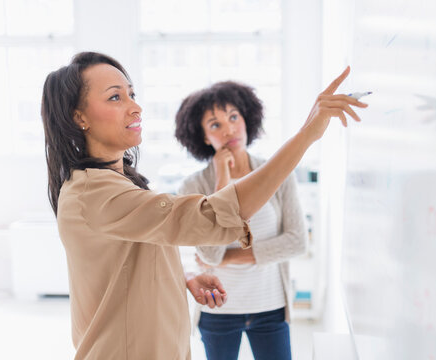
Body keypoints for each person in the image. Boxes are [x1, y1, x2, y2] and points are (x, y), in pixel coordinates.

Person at [41, 51, 367, 360]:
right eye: (115, 97)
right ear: (78, 117)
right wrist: (307, 135)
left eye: (132, 94)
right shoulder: (94, 192)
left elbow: (124, 262)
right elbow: (211, 220)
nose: (135, 107)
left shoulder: (117, 182)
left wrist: (179, 276)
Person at [175, 81, 307, 360]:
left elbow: (296, 242)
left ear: (247, 119)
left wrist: (228, 257)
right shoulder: (192, 186)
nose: (229, 129)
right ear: (203, 137)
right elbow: (210, 253)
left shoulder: (277, 173)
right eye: (215, 124)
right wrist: (222, 182)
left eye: (234, 117)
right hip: (218, 312)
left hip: (270, 306)